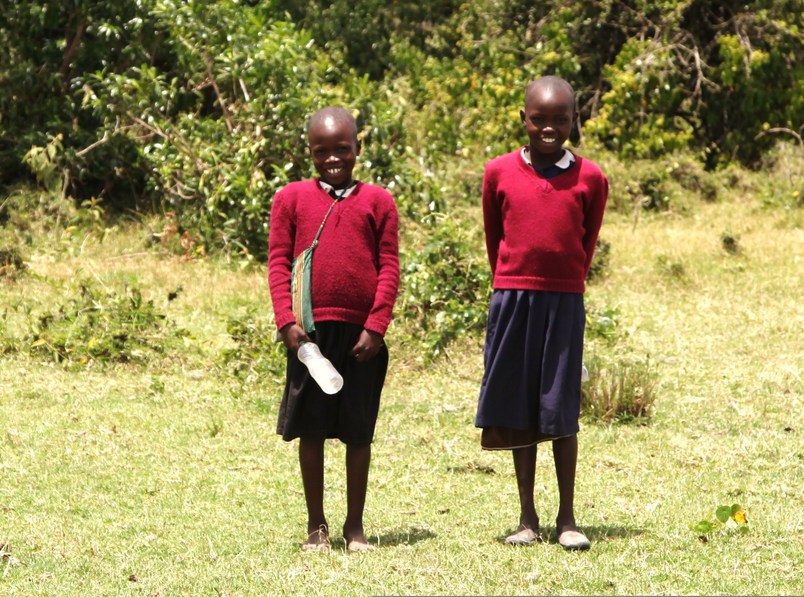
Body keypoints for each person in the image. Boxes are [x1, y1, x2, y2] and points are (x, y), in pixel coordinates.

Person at [475, 76, 608, 550]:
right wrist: (513, 282)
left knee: (560, 407)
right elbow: (496, 240)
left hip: (563, 300)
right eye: (539, 119)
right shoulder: (498, 172)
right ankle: (527, 517)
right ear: (523, 120)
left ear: (575, 120)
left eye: (559, 119)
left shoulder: (591, 178)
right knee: (520, 407)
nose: (548, 128)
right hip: (512, 299)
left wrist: (563, 285)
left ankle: (567, 517)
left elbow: (585, 243)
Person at [268, 106, 400, 552]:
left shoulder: (379, 202)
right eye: (320, 151)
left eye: (341, 149)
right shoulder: (290, 199)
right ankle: (316, 527)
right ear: (309, 152)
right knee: (312, 430)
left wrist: (377, 325)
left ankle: (356, 527)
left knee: (358, 431)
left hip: (363, 337)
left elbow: (389, 267)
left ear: (357, 148)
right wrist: (286, 321)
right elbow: (278, 263)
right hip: (310, 338)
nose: (332, 159)